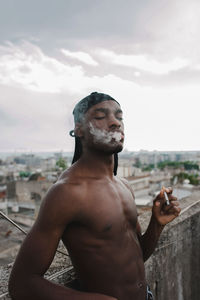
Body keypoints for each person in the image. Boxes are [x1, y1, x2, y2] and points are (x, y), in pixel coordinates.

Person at [9, 92, 181, 300]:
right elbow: (22, 284)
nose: (115, 123)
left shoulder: (124, 185)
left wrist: (156, 224)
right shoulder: (67, 192)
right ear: (79, 129)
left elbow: (136, 257)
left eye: (119, 116)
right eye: (100, 117)